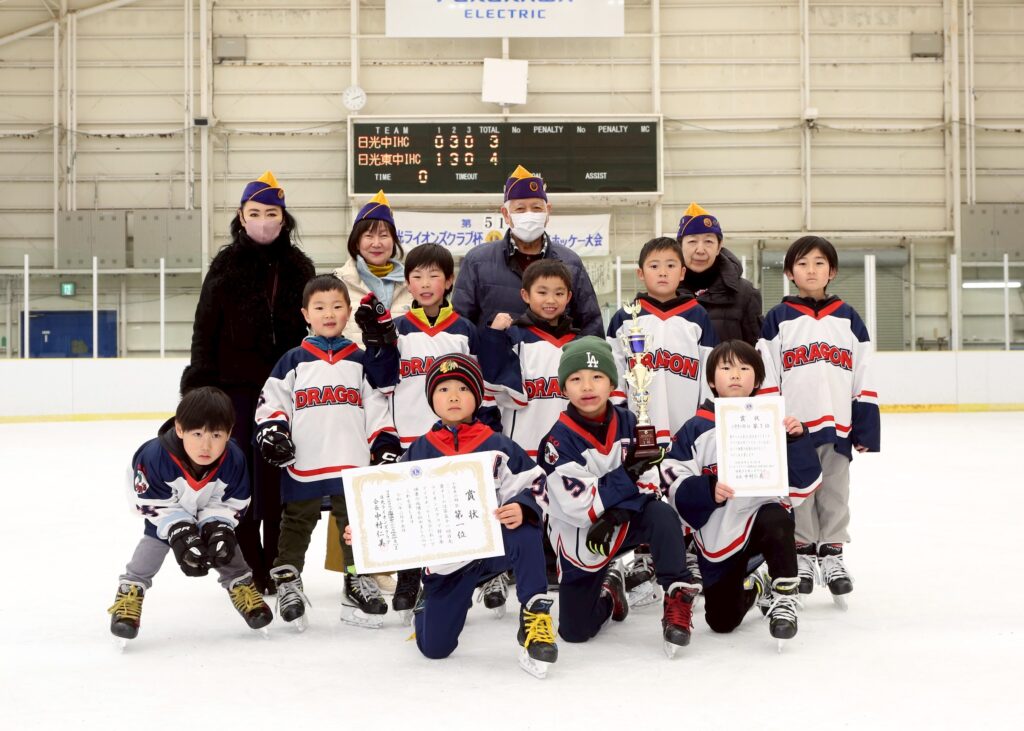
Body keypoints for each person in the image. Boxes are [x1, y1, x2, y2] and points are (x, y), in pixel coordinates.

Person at [345, 354, 558, 678]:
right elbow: (392, 504)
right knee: (434, 648)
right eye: (443, 389)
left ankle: (535, 615)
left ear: (477, 396)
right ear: (432, 399)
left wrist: (524, 505)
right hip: (448, 564)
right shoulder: (418, 451)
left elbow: (537, 484)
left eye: (463, 388)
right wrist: (366, 531)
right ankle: (430, 603)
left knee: (524, 527)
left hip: (493, 551)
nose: (454, 396)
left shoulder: (498, 445)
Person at [180, 170, 316, 595]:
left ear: (283, 218)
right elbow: (204, 330)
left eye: (270, 213)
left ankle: (278, 562)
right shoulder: (224, 267)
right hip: (234, 392)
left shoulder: (300, 268)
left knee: (279, 480)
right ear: (241, 217)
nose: (262, 221)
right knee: (239, 482)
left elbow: (313, 328)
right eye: (254, 213)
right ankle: (249, 564)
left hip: (286, 390)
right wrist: (200, 391)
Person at [254, 275, 402, 630]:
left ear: (349, 311)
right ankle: (288, 580)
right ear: (306, 314)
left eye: (337, 306)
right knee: (295, 523)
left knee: (354, 524)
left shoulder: (361, 361)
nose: (329, 313)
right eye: (319, 307)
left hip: (351, 460)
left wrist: (383, 444)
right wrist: (273, 431)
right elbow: (272, 403)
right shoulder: (293, 361)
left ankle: (356, 578)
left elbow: (377, 408)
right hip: (305, 460)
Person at [536, 336, 700, 657]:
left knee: (661, 515)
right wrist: (626, 477)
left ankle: (677, 594)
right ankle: (612, 592)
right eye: (576, 378)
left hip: (620, 522)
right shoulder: (556, 442)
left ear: (612, 383)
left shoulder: (631, 422)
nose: (587, 386)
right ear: (563, 388)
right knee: (575, 632)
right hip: (582, 534)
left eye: (597, 376)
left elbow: (650, 483)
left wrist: (617, 513)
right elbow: (578, 505)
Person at [661, 341, 822, 646]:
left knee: (776, 516)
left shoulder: (773, 422)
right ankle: (758, 585)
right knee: (721, 621)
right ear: (711, 380)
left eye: (744, 368)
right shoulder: (695, 428)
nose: (735, 375)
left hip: (763, 523)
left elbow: (804, 485)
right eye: (726, 368)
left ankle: (784, 595)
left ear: (757, 379)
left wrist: (797, 441)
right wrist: (707, 490)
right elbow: (672, 479)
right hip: (719, 532)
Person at [756, 236, 881, 605]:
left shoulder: (848, 317)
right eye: (802, 263)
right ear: (789, 272)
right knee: (800, 492)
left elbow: (863, 372)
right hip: (794, 427)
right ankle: (804, 553)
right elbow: (767, 372)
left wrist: (865, 426)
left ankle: (832, 552)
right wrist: (772, 419)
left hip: (838, 423)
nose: (811, 270)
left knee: (835, 490)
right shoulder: (778, 318)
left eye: (819, 263)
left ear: (833, 271)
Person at [107, 387, 273, 643]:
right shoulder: (154, 457)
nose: (206, 445)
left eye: (216, 435)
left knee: (224, 544)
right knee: (154, 544)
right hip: (167, 512)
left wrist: (217, 526)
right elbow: (149, 502)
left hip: (209, 510)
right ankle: (131, 590)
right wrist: (180, 529)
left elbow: (233, 501)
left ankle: (241, 586)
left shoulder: (234, 459)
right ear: (180, 429)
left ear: (229, 433)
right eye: (197, 434)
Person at [452, 164, 603, 337]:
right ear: (506, 214)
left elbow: (591, 325)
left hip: (557, 353)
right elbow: (461, 326)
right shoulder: (477, 261)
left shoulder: (570, 263)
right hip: (497, 354)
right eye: (520, 209)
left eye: (536, 208)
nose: (529, 215)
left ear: (547, 212)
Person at [607, 236, 719, 447]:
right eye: (654, 266)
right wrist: (619, 410)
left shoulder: (697, 316)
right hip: (637, 425)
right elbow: (615, 369)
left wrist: (705, 414)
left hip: (687, 423)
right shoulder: (625, 318)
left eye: (670, 265)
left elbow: (709, 370)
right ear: (640, 273)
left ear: (682, 272)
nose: (663, 272)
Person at [479, 259, 578, 458]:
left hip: (570, 452)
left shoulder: (579, 343)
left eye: (559, 293)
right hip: (522, 451)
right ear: (525, 295)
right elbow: (492, 388)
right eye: (542, 292)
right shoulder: (511, 338)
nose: (551, 300)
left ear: (568, 297)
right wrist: (494, 336)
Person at [333, 189, 415, 345]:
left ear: (393, 241)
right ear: (357, 242)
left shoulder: (411, 283)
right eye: (369, 236)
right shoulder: (339, 283)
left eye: (383, 236)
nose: (376, 244)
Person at [676, 202, 763, 345]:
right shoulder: (667, 291)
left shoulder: (745, 294)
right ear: (680, 246)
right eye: (692, 241)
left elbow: (755, 351)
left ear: (719, 247)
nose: (700, 250)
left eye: (708, 241)